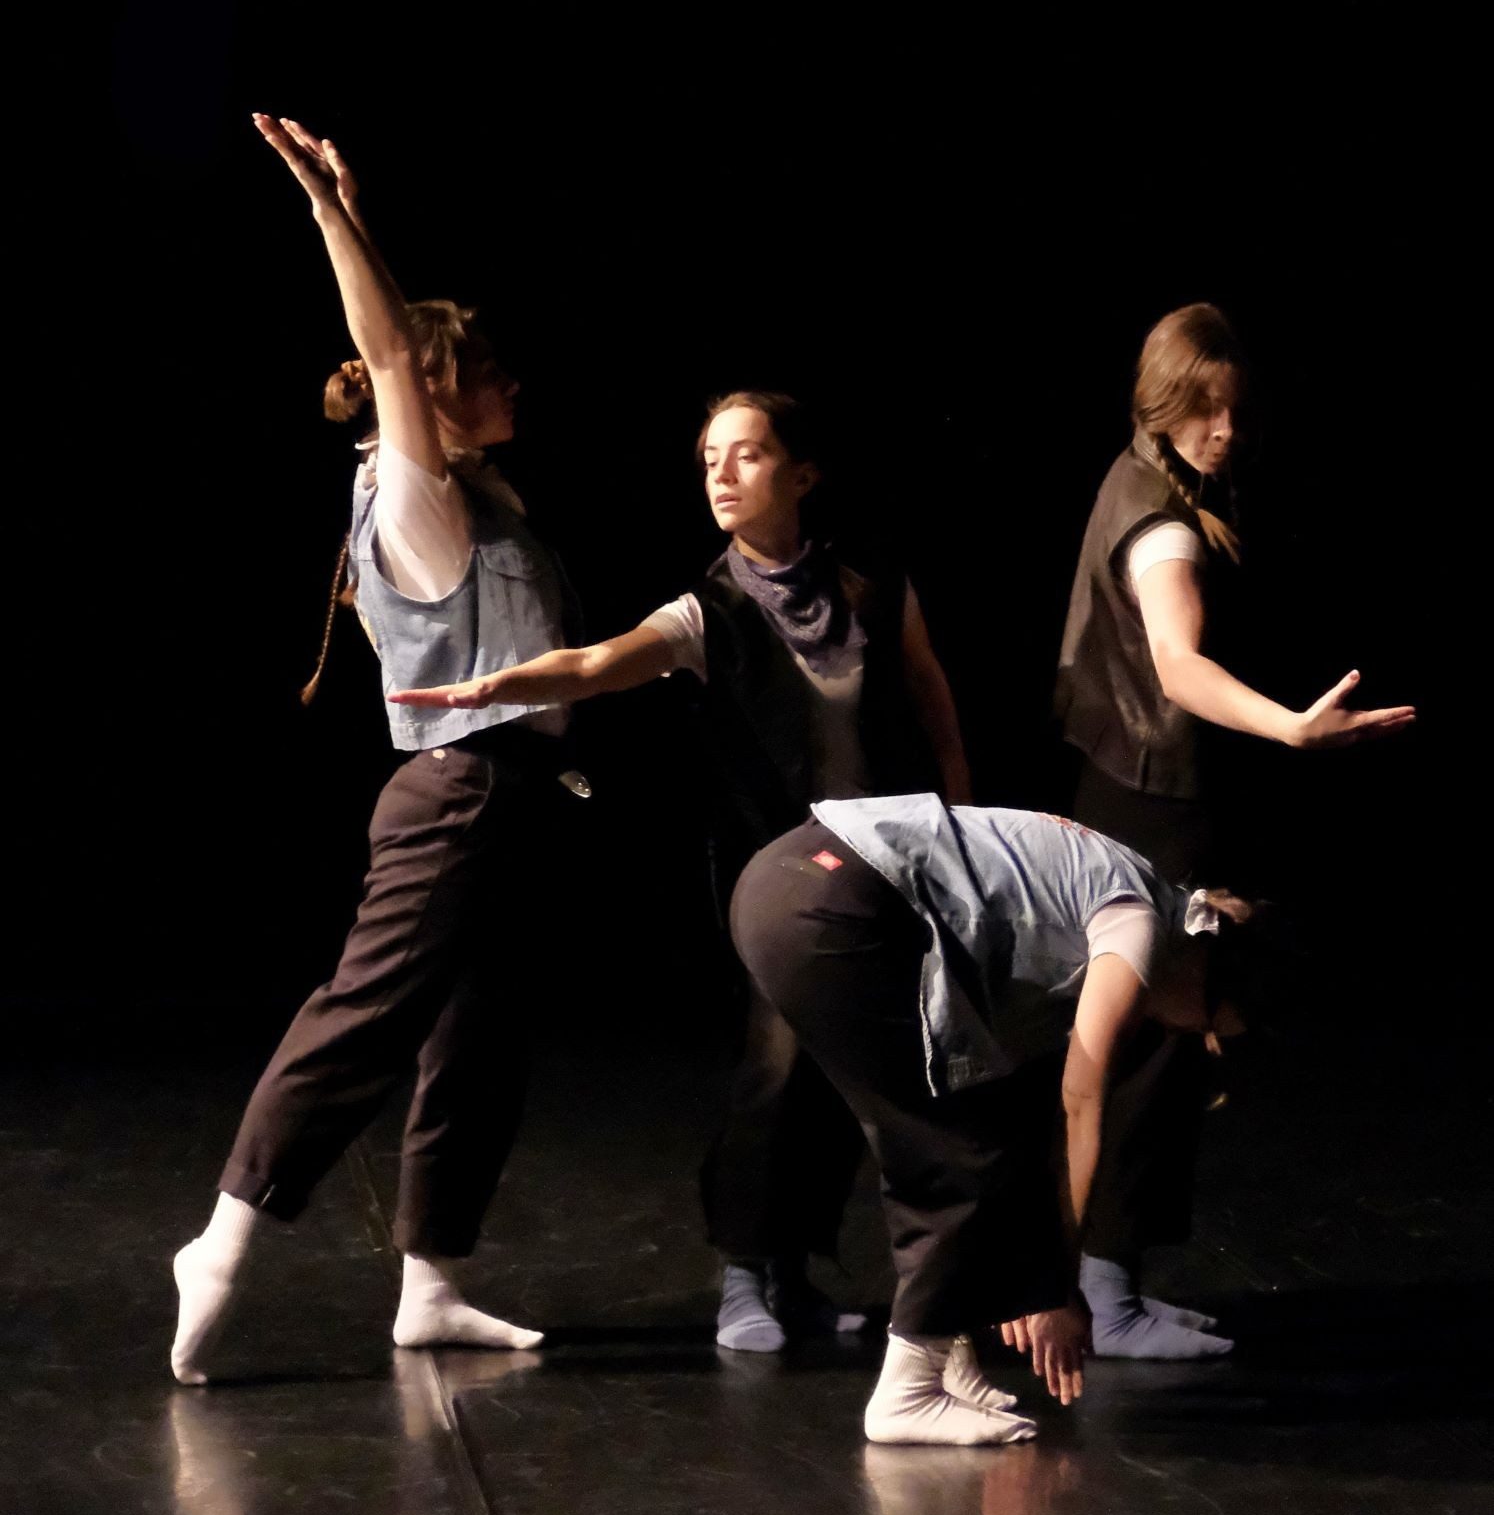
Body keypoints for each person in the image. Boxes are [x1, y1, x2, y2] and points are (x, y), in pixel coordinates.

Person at [391, 391, 972, 1351]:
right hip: (782, 884)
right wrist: (501, 684)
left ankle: (794, 1274)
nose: (722, 474)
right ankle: (743, 1275)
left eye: (747, 455)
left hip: (886, 865)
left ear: (802, 473)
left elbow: (933, 706)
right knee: (775, 1069)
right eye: (709, 459)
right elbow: (597, 665)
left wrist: (959, 828)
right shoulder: (711, 610)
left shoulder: (873, 587)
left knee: (851, 1078)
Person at [170, 116, 582, 1383]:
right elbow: (392, 346)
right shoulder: (411, 490)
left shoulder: (481, 499)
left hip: (511, 799)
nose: (510, 381)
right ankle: (221, 1242)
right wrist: (332, 212)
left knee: (479, 1040)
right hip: (457, 795)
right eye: (486, 369)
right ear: (435, 395)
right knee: (365, 1016)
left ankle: (432, 1283)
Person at [1053, 302, 1414, 1358]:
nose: (1224, 429)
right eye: (1201, 408)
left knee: (1156, 1043)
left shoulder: (1147, 475)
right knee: (1155, 1043)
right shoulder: (1162, 525)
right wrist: (1291, 729)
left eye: (1235, 409)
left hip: (1132, 788)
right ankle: (1106, 1296)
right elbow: (1176, 663)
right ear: (1160, 403)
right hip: (1154, 805)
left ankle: (1112, 1284)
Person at [730, 794, 1273, 1445]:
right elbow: (1082, 1101)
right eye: (1206, 1026)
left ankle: (946, 1362)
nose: (1191, 1037)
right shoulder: (1138, 926)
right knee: (962, 1152)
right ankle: (906, 1392)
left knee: (959, 1129)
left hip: (784, 880)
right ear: (1206, 970)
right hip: (829, 900)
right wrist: (1056, 1283)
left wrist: (1025, 1269)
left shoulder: (1133, 888)